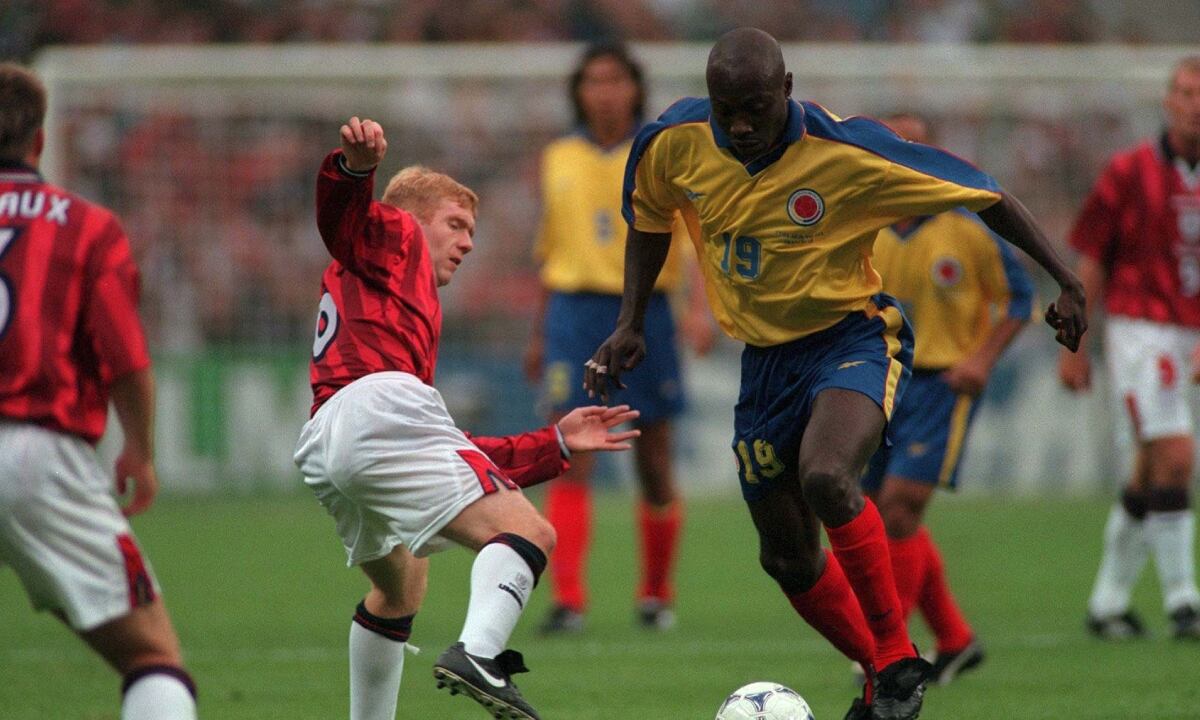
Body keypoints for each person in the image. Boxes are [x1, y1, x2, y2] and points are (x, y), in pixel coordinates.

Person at [585, 28, 1086, 720]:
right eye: (727, 109)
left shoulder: (850, 150)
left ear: (787, 90)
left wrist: (1067, 279)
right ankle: (883, 672)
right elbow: (649, 216)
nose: (740, 125)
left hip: (851, 338)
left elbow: (986, 192)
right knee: (786, 558)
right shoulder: (672, 141)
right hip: (763, 364)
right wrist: (632, 321)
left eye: (755, 108)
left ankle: (898, 660)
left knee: (827, 476)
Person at [292, 116, 641, 720]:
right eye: (455, 224)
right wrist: (353, 170)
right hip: (376, 412)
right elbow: (341, 218)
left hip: (328, 440)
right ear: (410, 218)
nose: (469, 242)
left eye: (472, 230)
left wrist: (555, 443)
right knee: (532, 533)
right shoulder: (395, 233)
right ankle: (479, 654)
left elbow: (459, 450)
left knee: (401, 586)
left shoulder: (389, 301)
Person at [0, 62, 198, 719]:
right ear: (39, 140)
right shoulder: (84, 227)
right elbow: (126, 360)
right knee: (151, 654)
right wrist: (140, 448)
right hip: (35, 454)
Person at [525, 41, 715, 634]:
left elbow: (692, 234)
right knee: (570, 454)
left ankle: (656, 594)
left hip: (646, 311)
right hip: (574, 312)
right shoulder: (557, 156)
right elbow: (550, 249)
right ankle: (569, 601)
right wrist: (539, 332)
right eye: (593, 81)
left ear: (635, 87)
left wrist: (699, 310)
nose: (604, 92)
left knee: (654, 460)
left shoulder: (661, 151)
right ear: (578, 92)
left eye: (615, 80)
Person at [861, 114, 1035, 684]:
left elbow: (1018, 299)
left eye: (912, 142)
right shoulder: (862, 222)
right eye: (890, 143)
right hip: (877, 381)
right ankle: (955, 640)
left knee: (899, 507)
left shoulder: (967, 225)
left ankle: (889, 653)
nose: (900, 152)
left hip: (942, 383)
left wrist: (981, 359)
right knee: (877, 512)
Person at [1060, 55, 1200, 641]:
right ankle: (1184, 602)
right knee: (1177, 456)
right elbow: (1091, 259)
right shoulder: (1128, 171)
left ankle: (1107, 604)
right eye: (1186, 92)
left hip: (1192, 332)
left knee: (1149, 473)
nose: (1195, 104)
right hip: (1141, 330)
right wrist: (1075, 344)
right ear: (1168, 101)